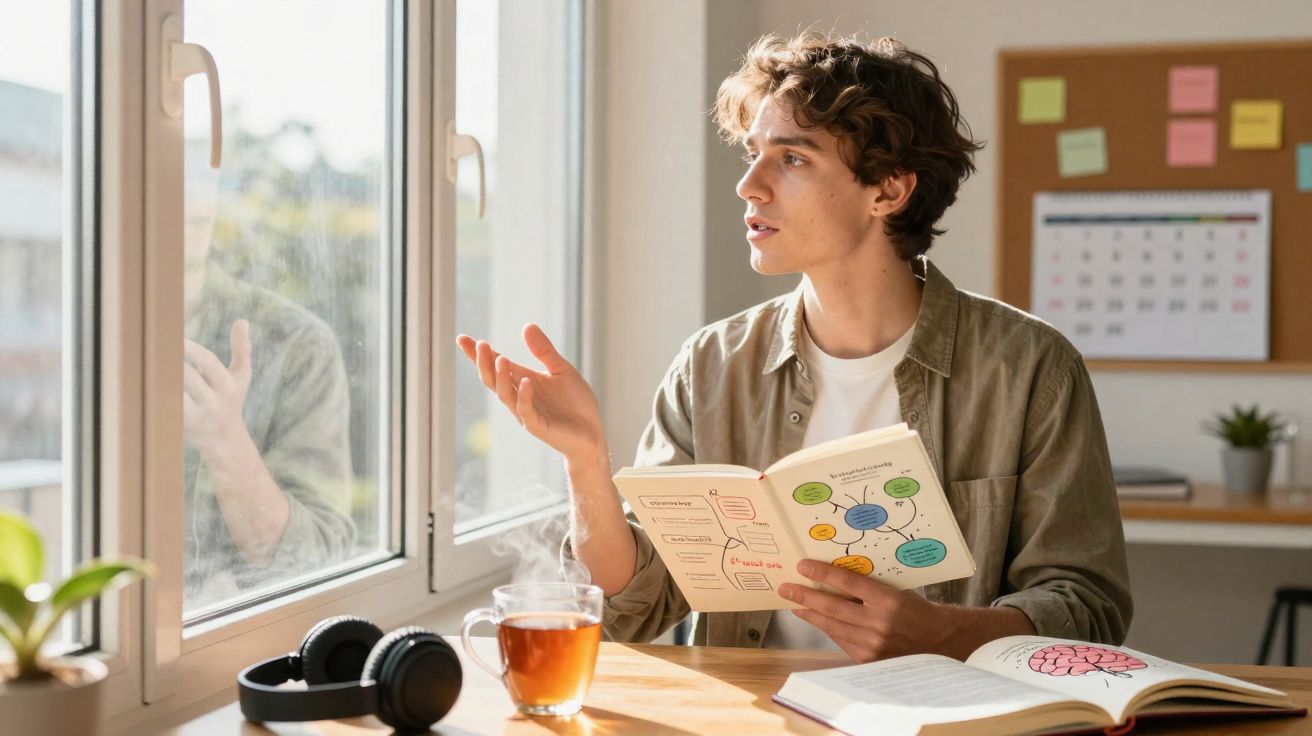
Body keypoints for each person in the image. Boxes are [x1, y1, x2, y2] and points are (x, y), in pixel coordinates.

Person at [457, 32, 1131, 662]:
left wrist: (942, 633)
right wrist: (586, 464)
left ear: (888, 189)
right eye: (753, 154)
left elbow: (1088, 606)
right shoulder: (711, 367)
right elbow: (634, 605)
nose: (749, 185)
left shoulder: (1032, 368)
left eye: (792, 157)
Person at [182, 167, 355, 607]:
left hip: (226, 652)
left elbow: (317, 562)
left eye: (193, 178)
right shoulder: (76, 332)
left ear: (210, 203)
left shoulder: (295, 344)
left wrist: (225, 441)